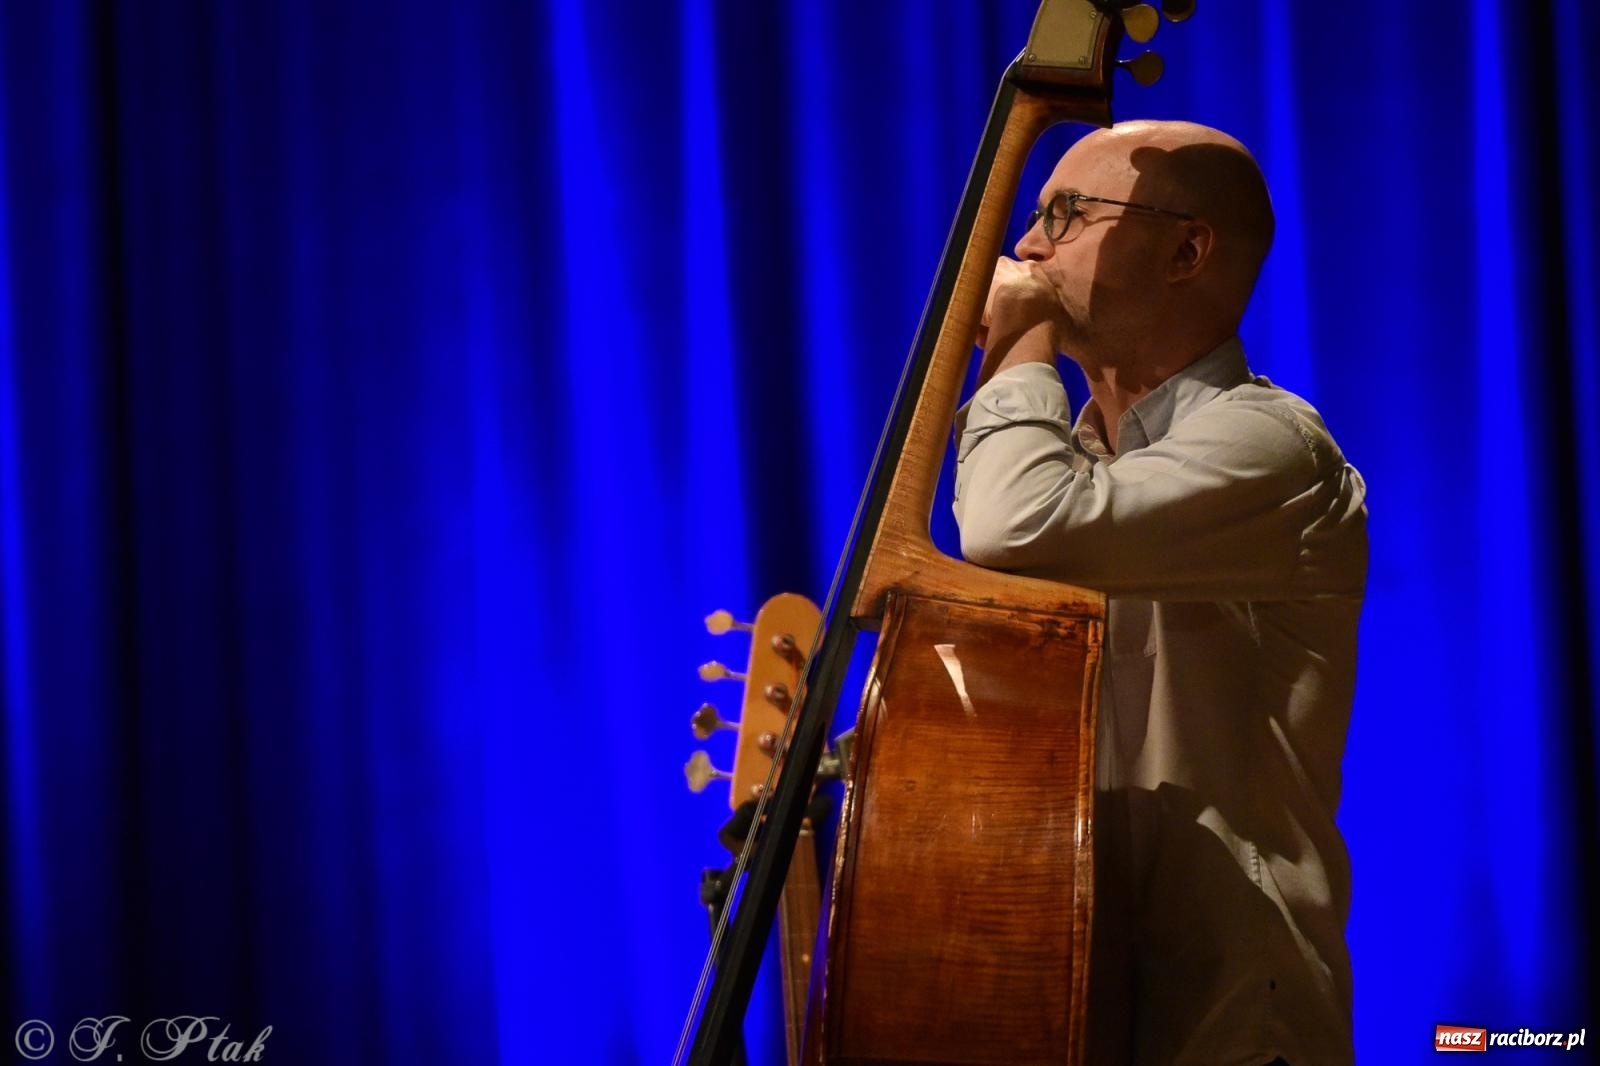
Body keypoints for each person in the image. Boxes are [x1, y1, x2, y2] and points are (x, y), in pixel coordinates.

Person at [953, 120, 1368, 1066]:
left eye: (1068, 214)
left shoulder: (1270, 445)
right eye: (1036, 216)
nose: (1026, 247)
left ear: (1187, 250)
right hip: (1079, 993)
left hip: (1227, 1019)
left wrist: (1018, 345)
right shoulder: (1083, 462)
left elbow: (1014, 526)